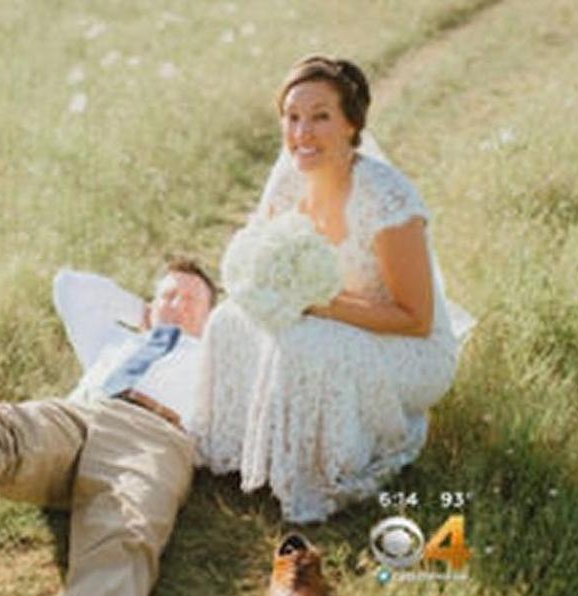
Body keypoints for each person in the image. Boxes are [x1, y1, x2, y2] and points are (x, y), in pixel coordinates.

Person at [192, 55, 466, 525]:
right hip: (323, 316)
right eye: (293, 117)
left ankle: (320, 471)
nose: (303, 133)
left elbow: (415, 319)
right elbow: (262, 259)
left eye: (321, 117)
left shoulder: (387, 199)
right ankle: (243, 453)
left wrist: (318, 303)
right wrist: (266, 290)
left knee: (304, 343)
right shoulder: (288, 178)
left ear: (352, 125)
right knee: (229, 320)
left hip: (408, 346)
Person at [0, 259, 215, 596]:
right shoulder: (115, 341)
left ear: (212, 316)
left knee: (122, 536)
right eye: (168, 294)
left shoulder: (215, 361)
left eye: (191, 298)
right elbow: (70, 286)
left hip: (153, 437)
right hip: (82, 414)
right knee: (13, 426)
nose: (178, 303)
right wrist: (144, 314)